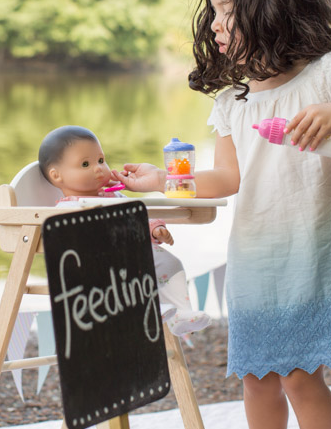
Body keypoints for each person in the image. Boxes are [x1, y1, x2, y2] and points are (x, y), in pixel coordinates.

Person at [113, 0, 331, 429]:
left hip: (320, 253)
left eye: (226, 9)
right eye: (212, 10)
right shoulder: (235, 99)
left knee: (299, 377)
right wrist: (163, 179)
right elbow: (228, 178)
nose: (214, 23)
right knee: (256, 378)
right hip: (259, 259)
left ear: (273, 7)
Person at [39, 125, 210, 337]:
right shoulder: (66, 208)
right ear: (57, 176)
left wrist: (156, 228)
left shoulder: (115, 197)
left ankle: (181, 316)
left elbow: (137, 215)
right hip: (103, 264)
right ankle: (149, 308)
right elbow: (67, 240)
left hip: (135, 250)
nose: (98, 168)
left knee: (172, 264)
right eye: (85, 164)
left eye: (101, 160)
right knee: (128, 271)